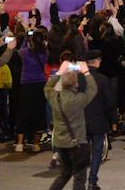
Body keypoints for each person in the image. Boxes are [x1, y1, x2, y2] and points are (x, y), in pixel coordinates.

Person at [46, 59, 97, 190]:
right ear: (76, 83)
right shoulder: (79, 99)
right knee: (79, 176)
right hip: (77, 143)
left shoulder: (54, 97)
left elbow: (47, 87)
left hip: (60, 142)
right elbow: (92, 89)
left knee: (65, 173)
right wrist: (86, 72)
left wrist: (59, 72)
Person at [83, 49, 115, 190]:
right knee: (97, 152)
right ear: (95, 62)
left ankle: (80, 181)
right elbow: (110, 102)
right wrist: (113, 120)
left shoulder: (78, 78)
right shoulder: (102, 79)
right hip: (99, 121)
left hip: (81, 122)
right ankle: (92, 181)